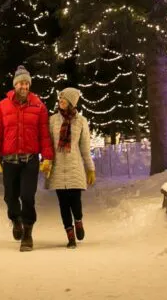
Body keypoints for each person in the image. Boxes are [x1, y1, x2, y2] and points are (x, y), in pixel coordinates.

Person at [0, 65, 54, 251]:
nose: (24, 86)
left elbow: (44, 135)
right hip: (9, 161)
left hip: (30, 160)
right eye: (20, 83)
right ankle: (15, 219)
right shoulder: (2, 106)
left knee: (27, 196)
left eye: (26, 83)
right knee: (10, 197)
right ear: (15, 85)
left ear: (29, 85)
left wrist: (47, 157)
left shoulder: (39, 106)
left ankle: (27, 233)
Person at [45, 87, 95, 249]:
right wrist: (46, 161)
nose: (61, 101)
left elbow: (85, 149)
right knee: (63, 204)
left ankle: (78, 221)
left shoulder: (81, 121)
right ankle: (70, 236)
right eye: (60, 99)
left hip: (75, 167)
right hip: (58, 168)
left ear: (72, 102)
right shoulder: (52, 120)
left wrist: (90, 169)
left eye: (64, 99)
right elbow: (48, 145)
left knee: (75, 201)